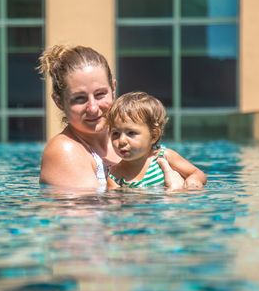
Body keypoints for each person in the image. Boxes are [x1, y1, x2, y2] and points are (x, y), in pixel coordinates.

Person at [37, 45, 181, 190]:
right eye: (79, 98)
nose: (93, 108)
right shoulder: (65, 151)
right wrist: (172, 192)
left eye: (100, 94)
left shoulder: (127, 140)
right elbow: (87, 209)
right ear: (59, 101)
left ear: (113, 88)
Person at [106, 91, 207, 189]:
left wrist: (193, 182)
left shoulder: (164, 156)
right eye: (116, 133)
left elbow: (197, 173)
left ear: (154, 136)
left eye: (131, 133)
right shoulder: (115, 175)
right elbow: (115, 201)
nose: (122, 141)